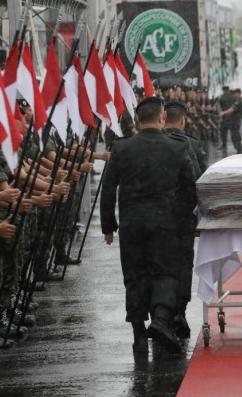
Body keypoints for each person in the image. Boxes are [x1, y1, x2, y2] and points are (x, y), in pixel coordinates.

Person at [100, 96, 197, 354]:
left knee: (134, 275)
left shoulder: (122, 148)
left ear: (138, 118)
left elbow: (108, 188)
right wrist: (189, 218)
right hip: (165, 223)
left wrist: (108, 225)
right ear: (162, 117)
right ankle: (161, 318)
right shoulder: (177, 148)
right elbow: (190, 187)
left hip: (132, 224)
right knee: (165, 273)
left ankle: (138, 333)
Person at [163, 101, 205, 339]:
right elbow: (199, 182)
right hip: (182, 217)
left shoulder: (152, 144)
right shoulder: (191, 145)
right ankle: (179, 311)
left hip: (157, 216)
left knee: (158, 265)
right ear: (183, 121)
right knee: (182, 264)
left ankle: (161, 314)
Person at [219, 88, 242, 154]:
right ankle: (239, 148)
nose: (233, 95)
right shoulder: (238, 101)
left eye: (234, 94)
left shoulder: (238, 101)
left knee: (235, 135)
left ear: (238, 94)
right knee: (234, 135)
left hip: (235, 122)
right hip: (234, 121)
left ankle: (239, 149)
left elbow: (232, 109)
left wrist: (224, 112)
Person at [217, 86, 234, 151]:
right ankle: (237, 144)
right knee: (233, 131)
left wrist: (220, 113)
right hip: (232, 117)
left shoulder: (222, 97)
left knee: (223, 131)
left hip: (224, 116)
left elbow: (218, 106)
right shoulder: (232, 97)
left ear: (223, 90)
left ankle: (224, 144)